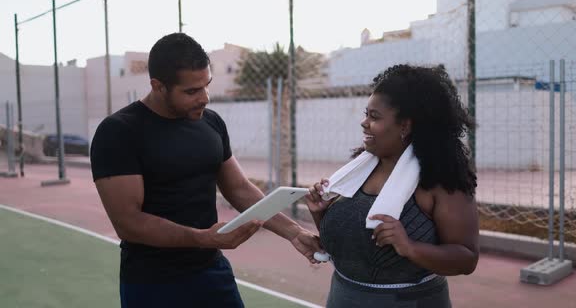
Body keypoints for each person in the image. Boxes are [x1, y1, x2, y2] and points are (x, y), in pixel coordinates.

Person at [90, 33, 321, 308]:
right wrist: (201, 237)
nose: (205, 98)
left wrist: (294, 232)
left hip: (212, 273)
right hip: (152, 283)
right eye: (191, 91)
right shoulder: (119, 132)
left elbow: (239, 188)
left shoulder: (210, 122)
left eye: (206, 86)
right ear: (158, 86)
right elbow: (128, 222)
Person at [306, 64, 479, 307]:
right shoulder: (358, 170)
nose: (364, 123)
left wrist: (409, 247)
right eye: (366, 114)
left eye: (374, 117)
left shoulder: (440, 179)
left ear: (405, 126)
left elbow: (467, 259)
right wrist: (320, 212)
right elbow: (348, 246)